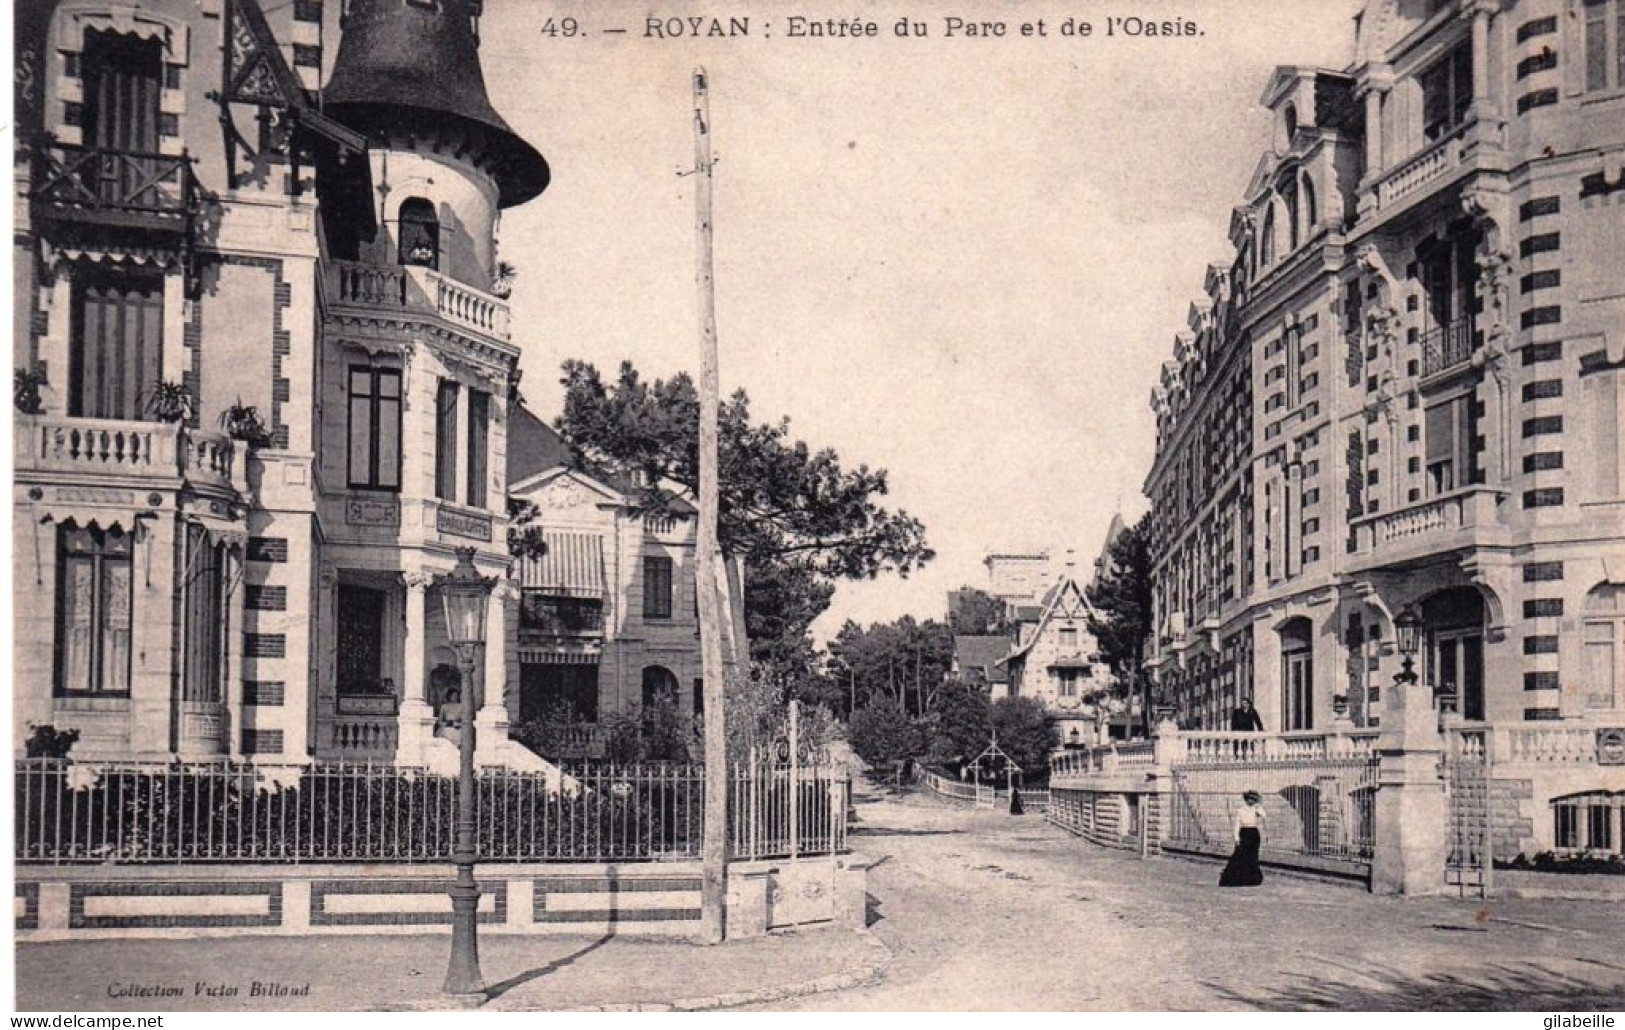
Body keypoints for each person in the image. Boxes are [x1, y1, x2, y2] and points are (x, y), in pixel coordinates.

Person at [1220, 790, 1267, 887]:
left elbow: (1264, 815)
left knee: (1253, 856)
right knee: (1240, 854)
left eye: (1253, 800)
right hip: (1244, 832)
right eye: (1250, 799)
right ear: (1246, 800)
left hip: (1253, 832)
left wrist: (1259, 806)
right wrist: (1236, 838)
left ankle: (1251, 879)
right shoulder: (1240, 810)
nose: (1251, 801)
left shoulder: (1255, 809)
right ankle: (1234, 878)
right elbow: (1237, 824)